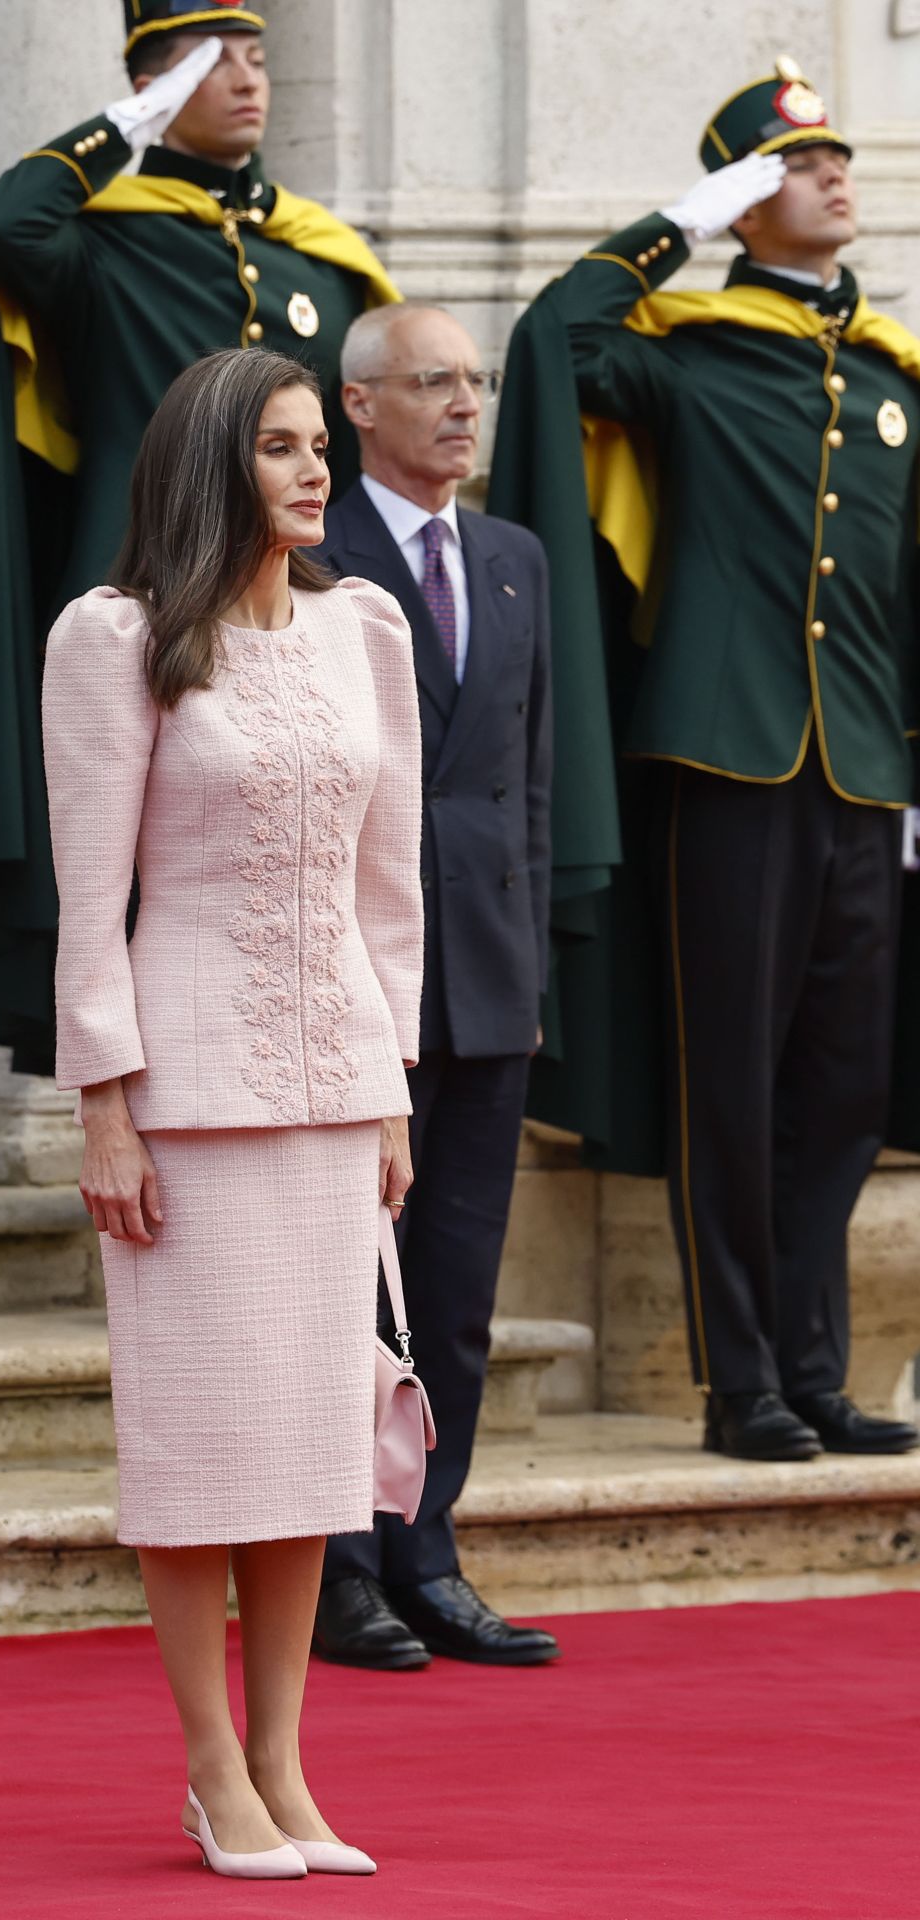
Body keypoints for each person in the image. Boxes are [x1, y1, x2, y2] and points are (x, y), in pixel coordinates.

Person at [489, 57, 920, 1461]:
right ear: (748, 200)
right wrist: (679, 220)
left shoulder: (890, 372)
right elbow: (553, 339)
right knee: (728, 1083)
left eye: (837, 160)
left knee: (845, 1092)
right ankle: (741, 1386)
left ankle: (816, 1367)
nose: (834, 177)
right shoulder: (686, 350)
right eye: (799, 167)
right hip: (724, 761)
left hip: (862, 768)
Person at [41, 346, 424, 1878]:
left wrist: (394, 1092)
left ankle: (284, 1767)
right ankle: (211, 1770)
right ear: (215, 466)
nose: (314, 471)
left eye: (319, 443)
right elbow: (90, 897)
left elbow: (387, 892)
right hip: (188, 1102)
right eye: (279, 448)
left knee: (307, 1456)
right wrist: (104, 1109)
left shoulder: (364, 631)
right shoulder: (116, 636)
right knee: (205, 1452)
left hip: (338, 1093)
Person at [0, 4, 400, 1079]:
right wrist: (122, 126)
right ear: (157, 84)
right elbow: (7, 223)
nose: (249, 80)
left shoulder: (314, 254)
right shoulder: (103, 241)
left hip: (289, 605)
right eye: (212, 64)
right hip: (143, 589)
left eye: (258, 58)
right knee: (126, 885)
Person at [309, 303, 559, 1671]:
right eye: (431, 383)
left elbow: (530, 787)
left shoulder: (514, 558)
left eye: (475, 382)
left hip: (485, 983)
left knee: (455, 1286)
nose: (464, 405)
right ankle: (339, 1568)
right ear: (360, 407)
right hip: (354, 974)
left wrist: (524, 981)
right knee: (352, 1282)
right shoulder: (311, 557)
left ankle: (429, 1549)